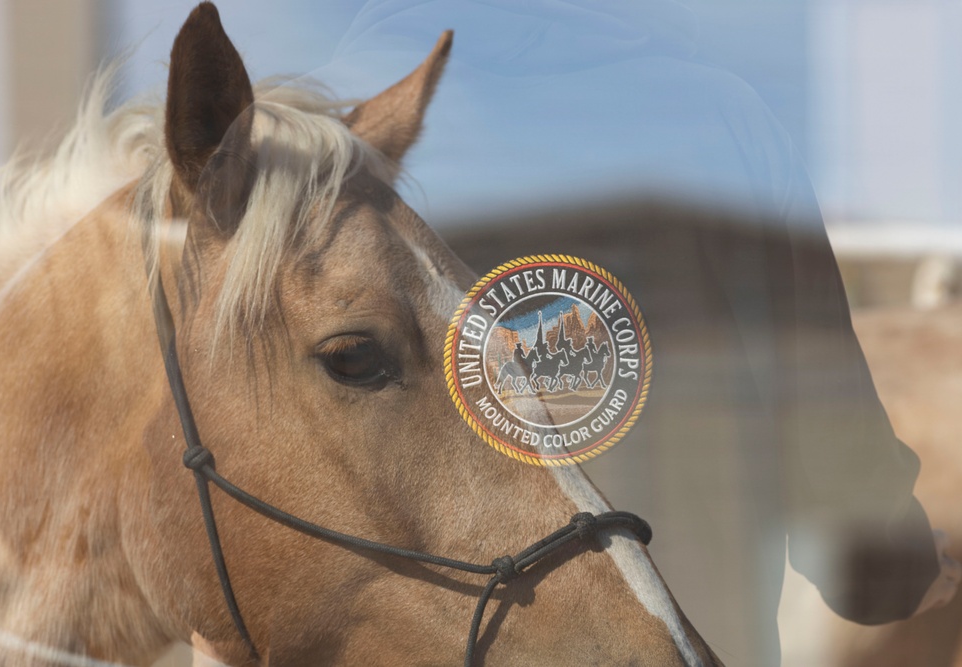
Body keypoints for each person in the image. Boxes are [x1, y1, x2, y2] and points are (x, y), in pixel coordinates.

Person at [313, 1, 961, 664]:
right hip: (687, 634)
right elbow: (825, 422)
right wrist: (897, 570)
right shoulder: (718, 116)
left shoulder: (311, 135)